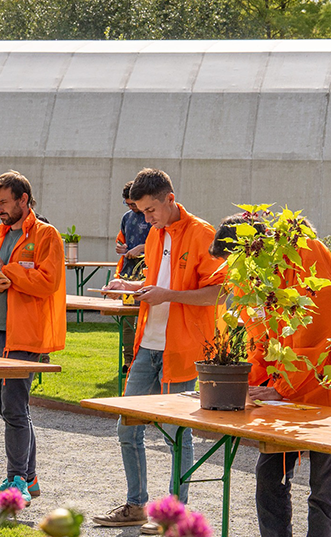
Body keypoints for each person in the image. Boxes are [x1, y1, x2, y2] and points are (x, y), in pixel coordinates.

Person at [93, 168, 225, 533]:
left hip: (183, 350)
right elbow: (158, 282)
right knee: (127, 427)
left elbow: (218, 292)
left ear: (169, 198)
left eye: (150, 210)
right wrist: (131, 285)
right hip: (148, 345)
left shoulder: (203, 234)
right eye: (141, 211)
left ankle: (173, 514)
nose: (145, 218)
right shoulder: (155, 232)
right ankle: (136, 506)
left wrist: (169, 296)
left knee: (178, 433)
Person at [211, 215, 331, 537]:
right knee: (269, 478)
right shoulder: (253, 276)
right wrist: (252, 383)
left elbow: (317, 337)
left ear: (252, 248)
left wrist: (280, 387)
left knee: (324, 491)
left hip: (325, 394)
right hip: (287, 398)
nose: (233, 275)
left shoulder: (307, 254)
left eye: (233, 264)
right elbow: (259, 338)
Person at [0, 170, 66, 505]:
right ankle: (28, 478)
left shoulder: (46, 235)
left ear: (23, 199)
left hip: (24, 337)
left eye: (4, 202)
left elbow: (47, 282)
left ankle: (17, 480)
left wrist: (7, 272)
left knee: (13, 409)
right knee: (11, 408)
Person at [115, 180, 151, 368]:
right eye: (128, 204)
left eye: (134, 204)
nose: (131, 207)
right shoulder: (126, 218)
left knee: (145, 319)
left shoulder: (151, 216)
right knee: (127, 319)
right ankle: (128, 360)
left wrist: (142, 248)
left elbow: (160, 244)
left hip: (148, 273)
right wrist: (122, 248)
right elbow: (122, 239)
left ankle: (141, 360)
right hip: (128, 274)